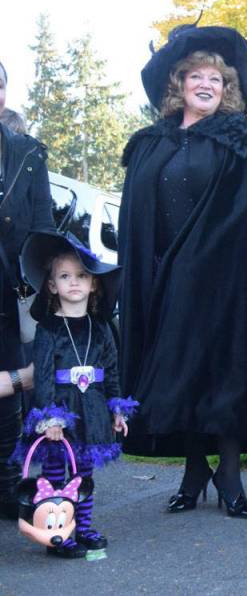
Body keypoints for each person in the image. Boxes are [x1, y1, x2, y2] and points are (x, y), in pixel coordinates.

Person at [119, 26, 247, 519]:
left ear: (227, 88)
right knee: (178, 374)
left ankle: (229, 475)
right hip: (162, 281)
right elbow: (135, 218)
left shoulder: (241, 141)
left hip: (222, 283)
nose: (207, 84)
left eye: (216, 78)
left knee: (224, 374)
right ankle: (193, 471)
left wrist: (200, 260)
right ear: (179, 84)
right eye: (196, 77)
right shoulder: (150, 143)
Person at [12, 231, 132, 558]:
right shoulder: (48, 329)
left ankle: (84, 527)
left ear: (94, 284)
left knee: (83, 476)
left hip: (91, 412)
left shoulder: (102, 327)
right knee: (55, 476)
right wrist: (50, 418)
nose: (74, 282)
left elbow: (112, 372)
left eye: (82, 275)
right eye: (65, 276)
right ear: (52, 286)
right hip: (60, 413)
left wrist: (117, 409)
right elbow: (44, 378)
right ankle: (58, 534)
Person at [0, 59, 54, 520]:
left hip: (9, 291)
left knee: (9, 389)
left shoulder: (28, 153)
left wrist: (46, 287)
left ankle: (6, 488)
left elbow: (42, 226)